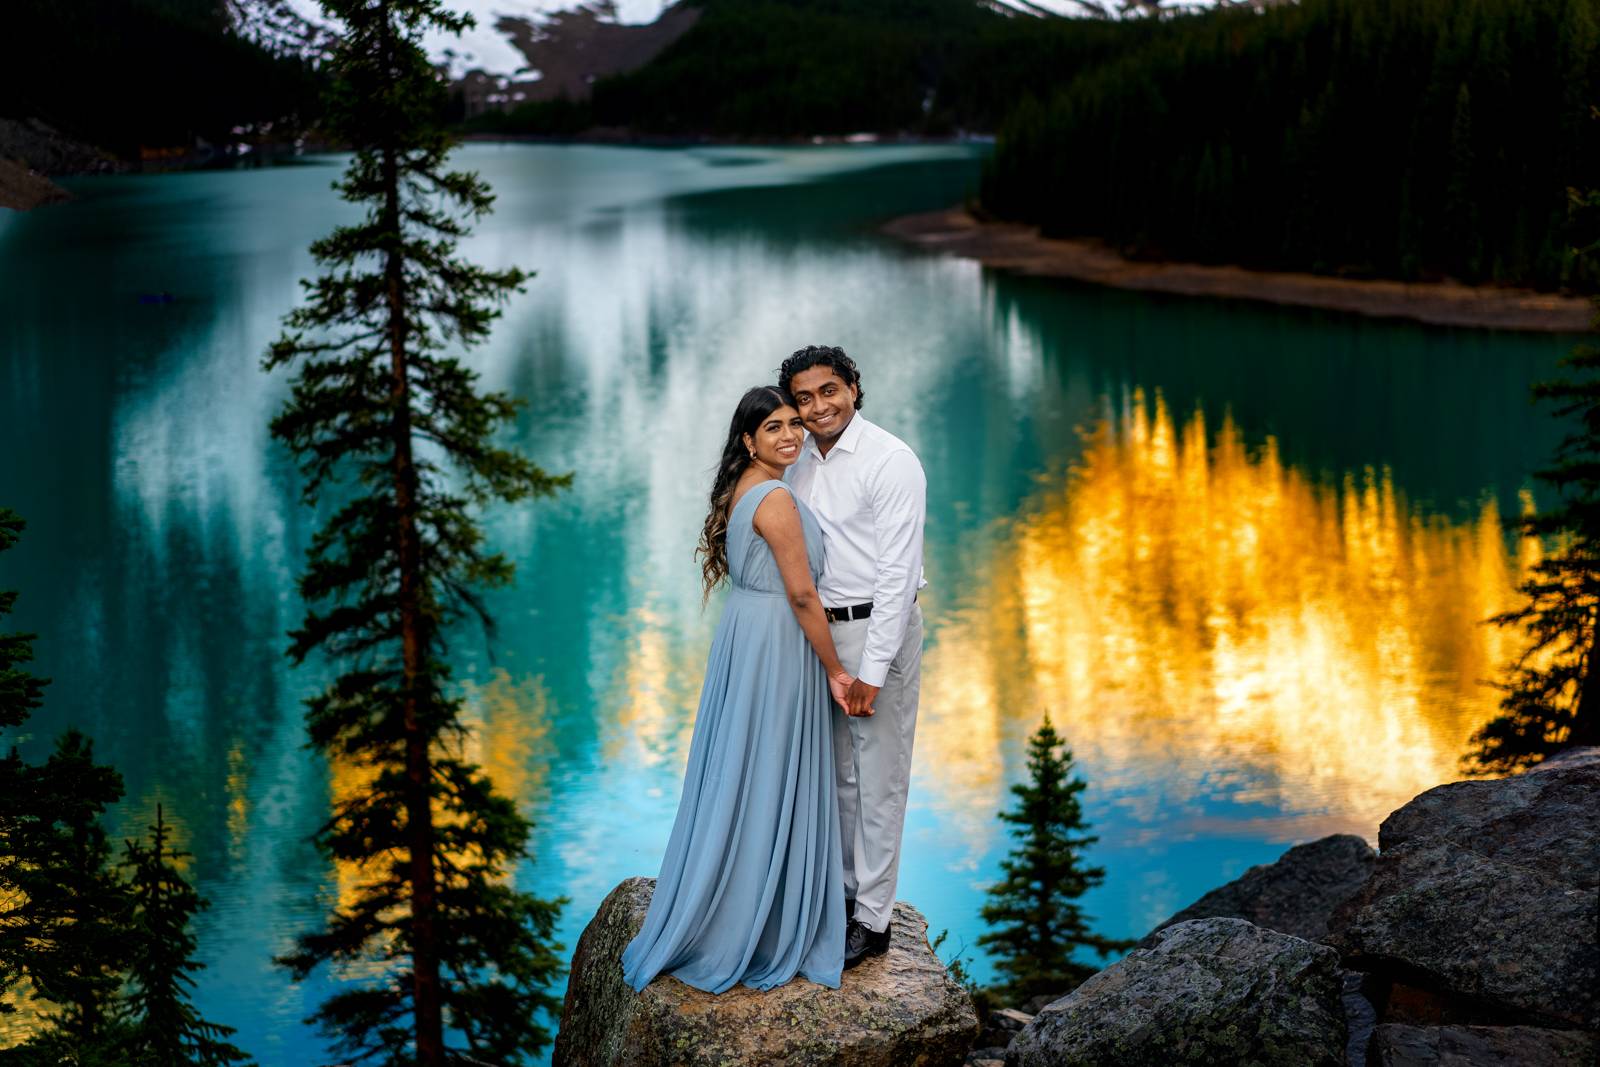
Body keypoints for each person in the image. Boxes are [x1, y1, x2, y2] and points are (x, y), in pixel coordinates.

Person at [621, 386, 856, 994]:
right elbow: (803, 595)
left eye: (794, 424)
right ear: (747, 440)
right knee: (769, 764)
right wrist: (836, 667)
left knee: (744, 765)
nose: (790, 436)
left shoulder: (743, 488)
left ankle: (740, 893)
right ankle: (757, 920)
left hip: (747, 632)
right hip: (778, 638)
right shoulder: (775, 497)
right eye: (773, 427)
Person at [780, 345, 927, 970]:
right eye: (805, 397)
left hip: (875, 633)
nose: (819, 407)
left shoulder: (891, 461)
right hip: (821, 638)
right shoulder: (800, 462)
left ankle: (873, 919)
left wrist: (871, 669)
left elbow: (898, 574)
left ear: (855, 389)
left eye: (830, 390)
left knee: (880, 779)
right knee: (836, 773)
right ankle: (842, 897)